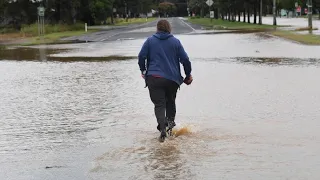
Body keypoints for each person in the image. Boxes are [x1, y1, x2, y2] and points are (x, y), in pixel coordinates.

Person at [138, 19, 193, 142]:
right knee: (170, 102)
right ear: (169, 28)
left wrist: (143, 71)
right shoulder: (176, 42)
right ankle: (169, 128)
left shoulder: (150, 41)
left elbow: (141, 56)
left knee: (159, 104)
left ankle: (162, 128)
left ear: (157, 28)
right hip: (172, 80)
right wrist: (188, 74)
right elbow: (185, 59)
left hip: (154, 78)